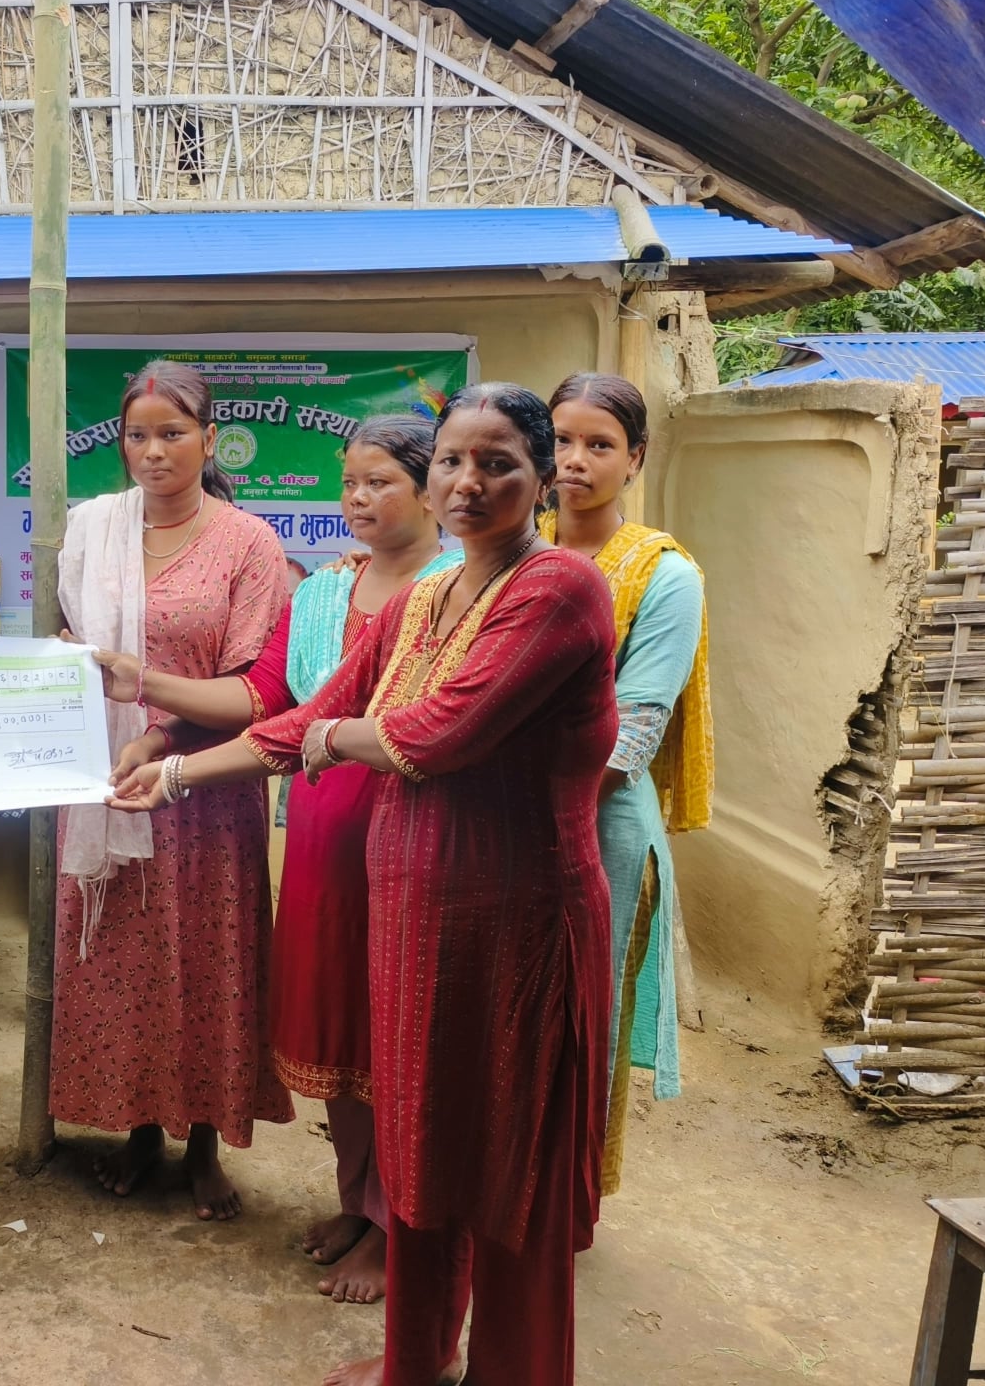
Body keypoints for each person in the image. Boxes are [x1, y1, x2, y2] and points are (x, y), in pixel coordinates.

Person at [109, 383, 617, 1386]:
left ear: (541, 474)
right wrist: (168, 777)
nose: (469, 483)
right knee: (424, 1151)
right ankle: (414, 1367)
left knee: (503, 1169)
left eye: (497, 463)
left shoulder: (557, 589)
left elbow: (432, 735)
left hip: (515, 928)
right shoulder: (429, 594)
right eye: (454, 462)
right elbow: (311, 714)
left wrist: (338, 739)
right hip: (413, 920)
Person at [91, 414, 458, 1296]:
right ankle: (357, 1201)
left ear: (431, 489)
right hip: (329, 829)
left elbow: (402, 728)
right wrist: (169, 745)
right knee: (340, 1029)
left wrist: (179, 754)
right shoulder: (331, 592)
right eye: (350, 483)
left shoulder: (463, 586)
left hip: (423, 836)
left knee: (402, 1038)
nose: (359, 500)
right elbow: (276, 704)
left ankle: (400, 1230)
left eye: (382, 483)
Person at [53, 359, 293, 1223]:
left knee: (207, 966)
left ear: (208, 438)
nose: (152, 452)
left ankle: (202, 1144)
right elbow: (68, 647)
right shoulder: (91, 531)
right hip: (107, 784)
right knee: (121, 960)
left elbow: (256, 690)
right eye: (137, 435)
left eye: (172, 433)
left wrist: (157, 723)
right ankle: (139, 1130)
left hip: (206, 793)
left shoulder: (248, 544)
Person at [543, 373, 712, 1194]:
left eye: (599, 445)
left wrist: (513, 797)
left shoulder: (666, 574)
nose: (574, 460)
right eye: (561, 440)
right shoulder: (513, 545)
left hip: (597, 828)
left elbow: (634, 733)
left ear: (635, 459)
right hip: (505, 816)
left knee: (581, 1020)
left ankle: (568, 1204)